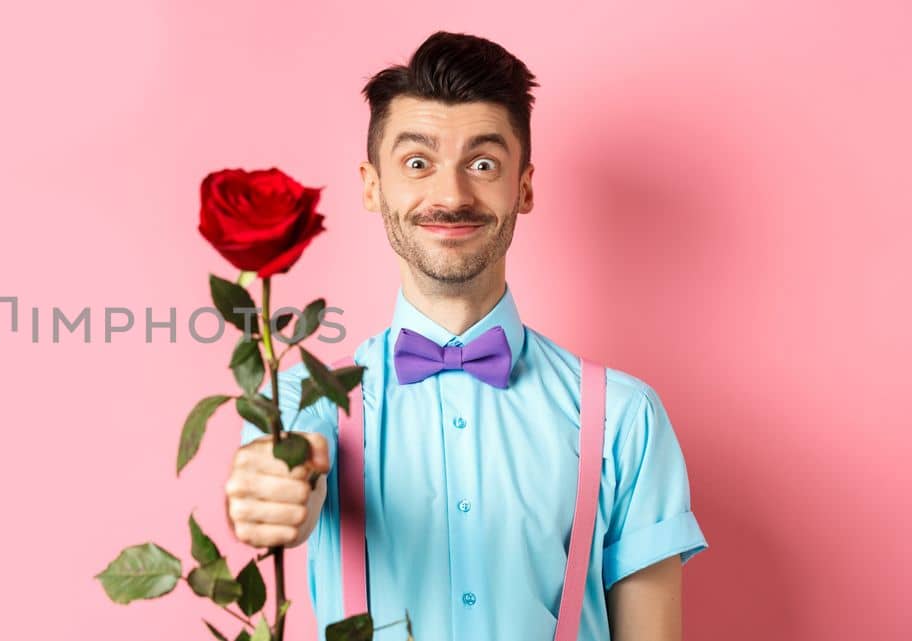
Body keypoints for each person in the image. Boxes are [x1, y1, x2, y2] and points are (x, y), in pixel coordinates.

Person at [224, 31, 708, 641]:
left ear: (523, 187)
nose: (451, 195)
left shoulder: (625, 417)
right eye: (418, 163)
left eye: (482, 164)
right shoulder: (301, 401)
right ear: (373, 186)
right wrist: (269, 493)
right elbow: (274, 491)